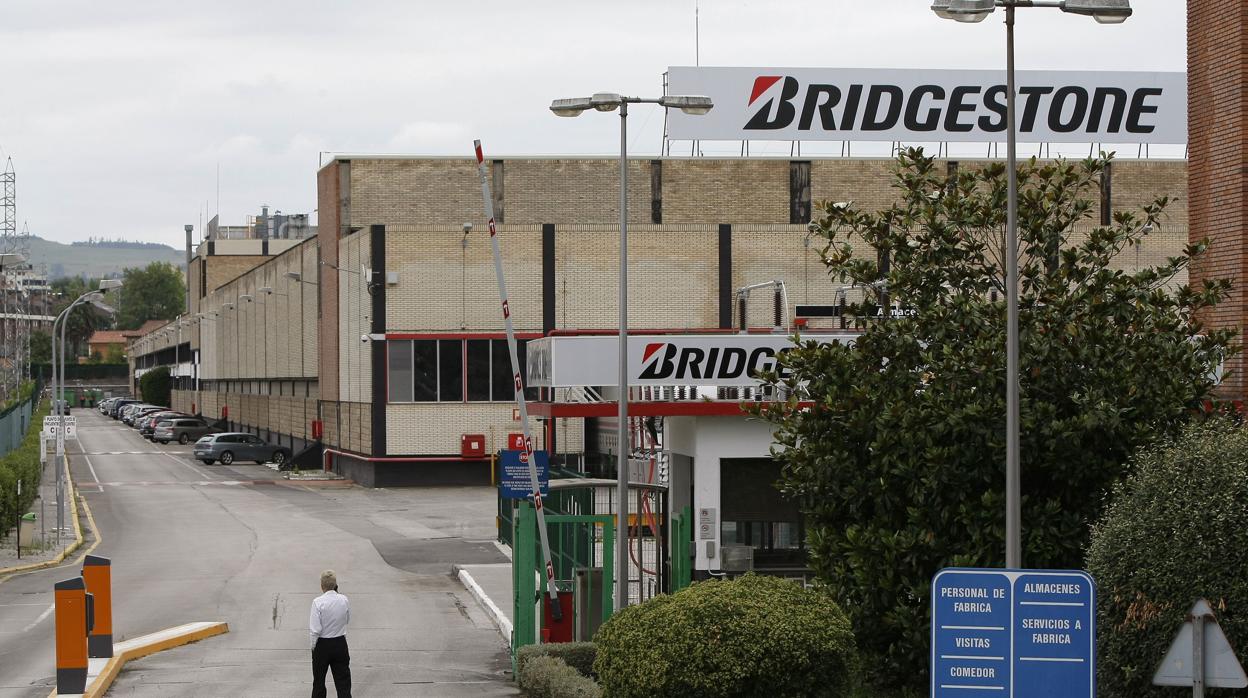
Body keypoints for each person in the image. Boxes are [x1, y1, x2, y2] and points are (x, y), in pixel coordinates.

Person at [309, 570, 351, 698]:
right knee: (343, 681)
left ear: (322, 586)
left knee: (319, 682)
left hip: (322, 645)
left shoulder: (318, 602)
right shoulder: (344, 599)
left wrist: (313, 647)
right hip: (339, 643)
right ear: (335, 584)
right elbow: (347, 619)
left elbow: (315, 629)